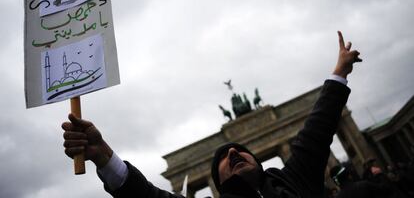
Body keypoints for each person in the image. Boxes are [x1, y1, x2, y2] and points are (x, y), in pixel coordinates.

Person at [62, 31, 361, 198]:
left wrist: (339, 72)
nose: (232, 150)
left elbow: (317, 131)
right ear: (217, 183)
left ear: (258, 162)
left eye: (239, 151)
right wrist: (104, 157)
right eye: (222, 159)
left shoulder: (292, 181)